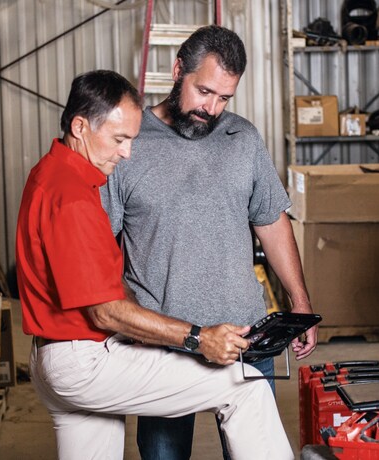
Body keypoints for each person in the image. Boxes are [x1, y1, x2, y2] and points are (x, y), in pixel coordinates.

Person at [16, 69, 293, 460]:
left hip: (52, 357)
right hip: (85, 361)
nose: (127, 153)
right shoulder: (74, 197)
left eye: (131, 139)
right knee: (245, 385)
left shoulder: (50, 173)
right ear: (79, 127)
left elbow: (101, 280)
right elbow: (105, 311)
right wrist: (198, 337)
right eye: (119, 139)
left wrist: (146, 325)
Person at [101, 26, 317, 459]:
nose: (211, 108)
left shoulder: (243, 138)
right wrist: (132, 322)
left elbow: (271, 221)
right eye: (204, 92)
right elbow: (101, 246)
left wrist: (300, 300)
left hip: (245, 340)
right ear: (178, 70)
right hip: (164, 345)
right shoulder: (128, 143)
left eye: (224, 98)